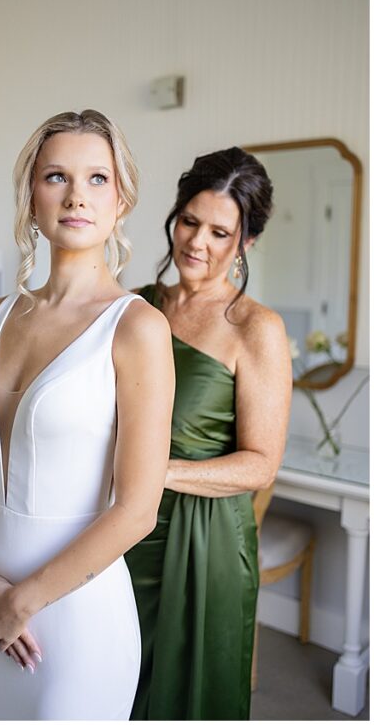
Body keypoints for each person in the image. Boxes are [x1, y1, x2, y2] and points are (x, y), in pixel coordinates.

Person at [0, 109, 175, 719]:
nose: (77, 195)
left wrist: (21, 601)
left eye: (97, 178)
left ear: (122, 198)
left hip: (77, 615)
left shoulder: (136, 327)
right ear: (31, 196)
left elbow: (137, 510)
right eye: (57, 177)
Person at [125, 147, 292, 720]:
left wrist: (151, 474)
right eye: (190, 221)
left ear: (246, 242)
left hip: (204, 537)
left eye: (220, 232)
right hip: (120, 526)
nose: (197, 242)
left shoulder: (256, 328)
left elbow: (259, 465)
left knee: (187, 695)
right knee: (114, 682)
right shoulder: (134, 307)